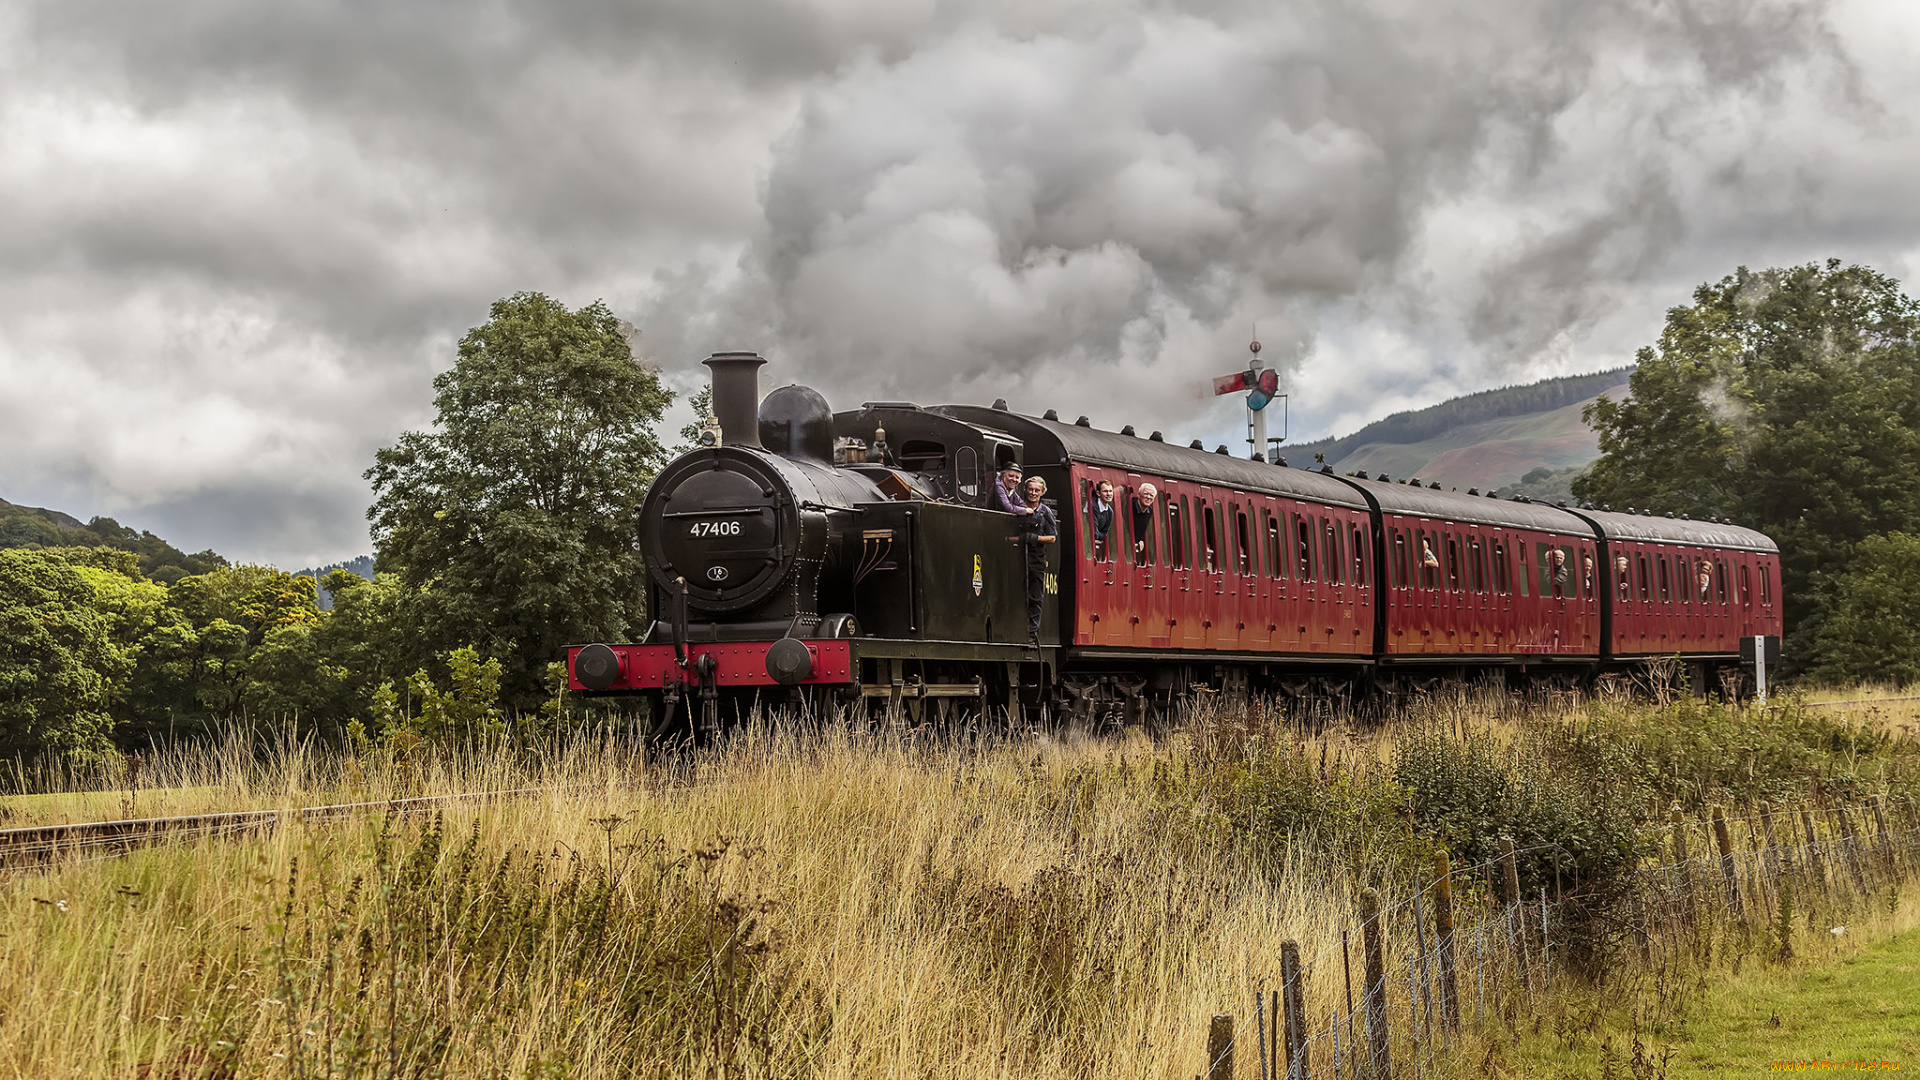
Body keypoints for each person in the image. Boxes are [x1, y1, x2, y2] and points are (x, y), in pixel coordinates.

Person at [1018, 474, 1058, 647]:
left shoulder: (1045, 512)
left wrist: (1035, 538)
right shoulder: (1018, 507)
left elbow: (1053, 537)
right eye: (1030, 489)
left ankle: (1032, 631)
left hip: (1036, 556)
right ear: (1025, 490)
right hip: (1018, 553)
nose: (1033, 493)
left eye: (1037, 490)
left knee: (1035, 595)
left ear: (1042, 493)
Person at [1131, 483, 1157, 561]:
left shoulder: (1149, 512)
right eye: (1146, 494)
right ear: (1139, 495)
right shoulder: (1130, 507)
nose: (1148, 497)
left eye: (1151, 495)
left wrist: (1140, 539)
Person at [1090, 480, 1115, 561]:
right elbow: (1094, 533)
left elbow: (1104, 534)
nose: (1109, 494)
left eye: (1110, 491)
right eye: (1105, 491)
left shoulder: (1110, 511)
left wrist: (1098, 535)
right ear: (1098, 493)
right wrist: (1098, 535)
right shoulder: (1092, 506)